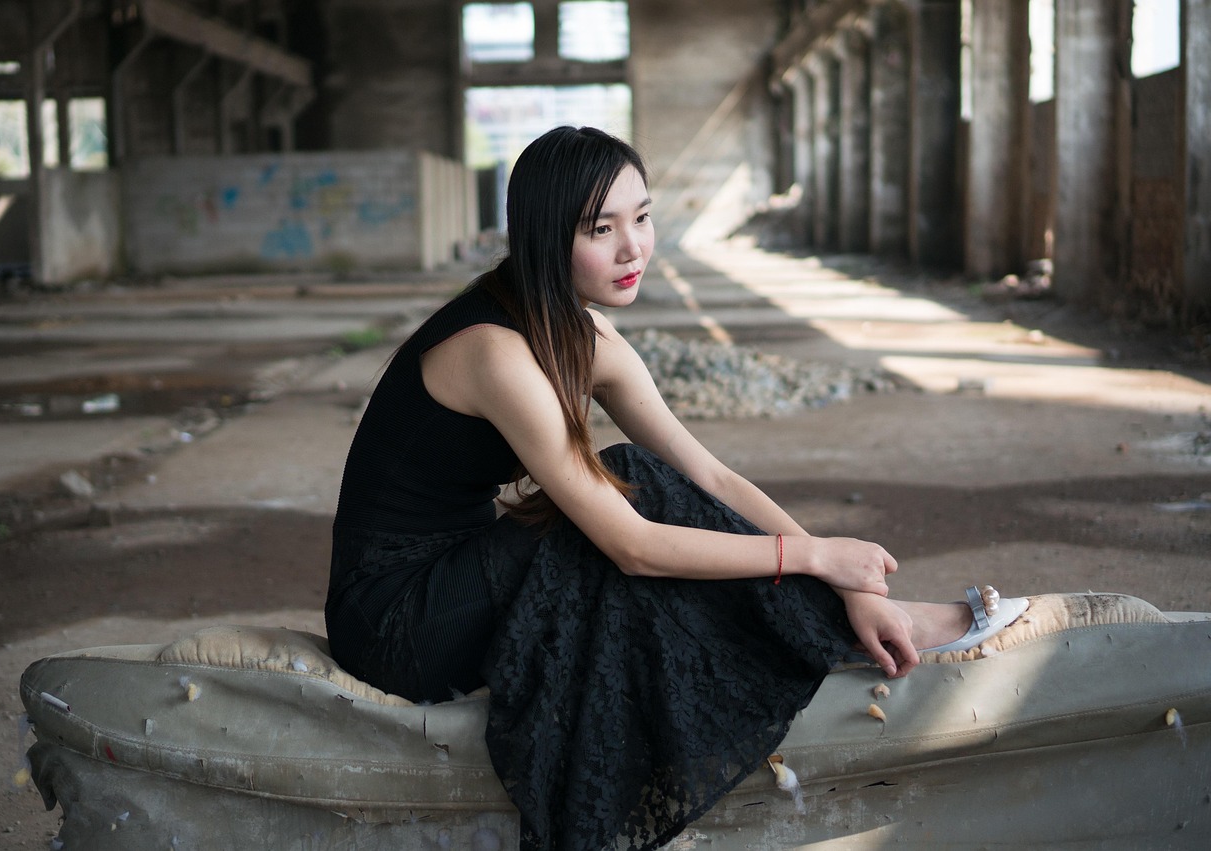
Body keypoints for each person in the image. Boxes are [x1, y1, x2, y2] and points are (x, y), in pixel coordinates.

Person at [325, 125, 1026, 850]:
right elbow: (632, 545)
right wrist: (814, 559)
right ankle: (844, 630)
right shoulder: (492, 351)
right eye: (601, 229)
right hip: (397, 621)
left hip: (463, 574)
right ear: (544, 237)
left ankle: (856, 620)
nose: (633, 248)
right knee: (628, 486)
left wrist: (852, 584)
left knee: (642, 486)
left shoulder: (582, 334)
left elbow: (709, 475)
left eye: (642, 217)